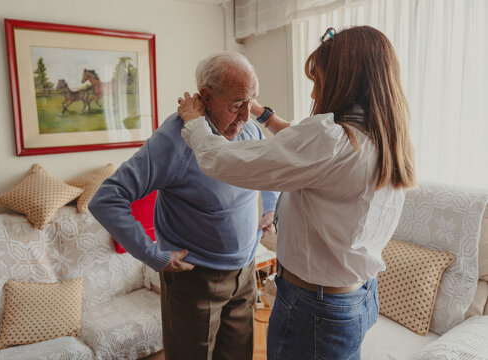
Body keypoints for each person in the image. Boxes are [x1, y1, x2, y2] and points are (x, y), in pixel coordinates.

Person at [177, 26, 416, 360]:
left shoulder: (328, 139)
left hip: (317, 310)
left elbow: (222, 160)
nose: (315, 88)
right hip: (359, 296)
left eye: (318, 79)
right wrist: (263, 114)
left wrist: (194, 123)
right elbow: (311, 151)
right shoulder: (384, 134)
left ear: (343, 81)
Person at [88, 52, 278, 360]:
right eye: (236, 103)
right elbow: (108, 198)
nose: (246, 115)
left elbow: (270, 168)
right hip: (196, 279)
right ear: (206, 96)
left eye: (251, 101)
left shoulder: (249, 128)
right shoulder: (175, 140)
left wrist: (270, 207)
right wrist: (153, 254)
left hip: (244, 273)